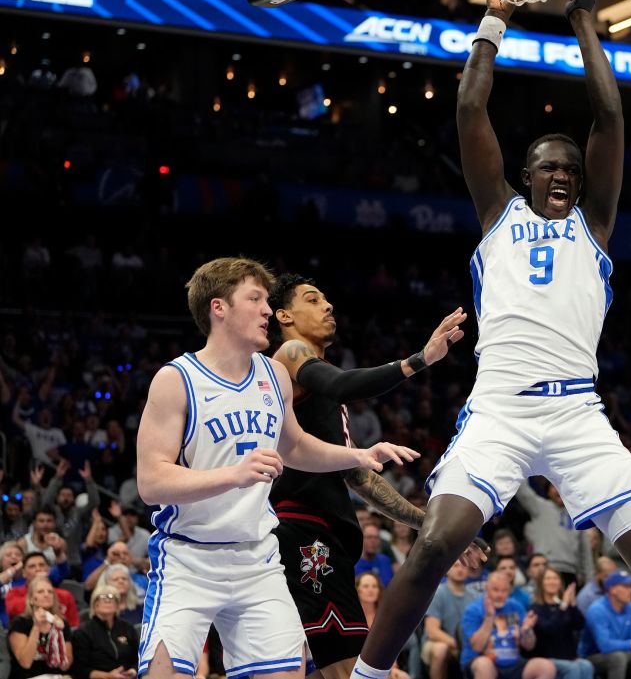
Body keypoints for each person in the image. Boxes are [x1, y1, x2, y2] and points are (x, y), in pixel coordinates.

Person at [351, 0, 631, 679]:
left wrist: (584, 22)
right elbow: (470, 104)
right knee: (432, 545)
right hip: (502, 404)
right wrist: (495, 18)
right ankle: (367, 674)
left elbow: (609, 117)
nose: (564, 171)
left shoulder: (594, 225)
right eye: (549, 165)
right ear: (527, 176)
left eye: (571, 165)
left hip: (577, 410)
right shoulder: (497, 213)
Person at [135, 257, 418, 679]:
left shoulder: (274, 376)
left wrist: (357, 455)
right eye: (256, 299)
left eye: (269, 301)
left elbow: (297, 446)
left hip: (258, 560)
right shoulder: (176, 379)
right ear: (220, 308)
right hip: (189, 558)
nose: (268, 311)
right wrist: (235, 473)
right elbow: (152, 482)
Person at [269, 273, 485, 679]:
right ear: (284, 315)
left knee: (318, 669)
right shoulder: (292, 354)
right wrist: (418, 360)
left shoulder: (319, 386)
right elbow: (347, 383)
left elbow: (359, 478)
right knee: (351, 667)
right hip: (304, 530)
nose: (328, 306)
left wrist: (430, 525)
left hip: (325, 534)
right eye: (313, 300)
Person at [461, 572, 553, 679]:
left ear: (509, 591)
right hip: (482, 661)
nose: (500, 595)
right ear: (486, 589)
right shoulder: (473, 609)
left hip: (513, 662)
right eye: (495, 590)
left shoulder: (515, 606)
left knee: (546, 667)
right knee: (483, 665)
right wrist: (489, 618)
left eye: (504, 591)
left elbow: (529, 646)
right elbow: (477, 647)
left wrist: (527, 630)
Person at [580, 571, 631, 679]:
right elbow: (605, 646)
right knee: (618, 658)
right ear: (612, 589)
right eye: (626, 586)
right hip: (593, 657)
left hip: (623, 653)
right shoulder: (597, 610)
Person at [527, 567, 592, 679]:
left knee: (586, 666)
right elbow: (549, 629)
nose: (552, 582)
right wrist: (564, 606)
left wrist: (573, 605)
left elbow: (579, 625)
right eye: (548, 578)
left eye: (555, 578)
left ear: (560, 583)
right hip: (546, 659)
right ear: (541, 583)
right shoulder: (536, 608)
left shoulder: (564, 606)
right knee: (573, 668)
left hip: (569, 657)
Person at [422, 559, 480, 679]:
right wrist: (459, 645)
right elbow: (432, 632)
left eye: (463, 566)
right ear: (447, 570)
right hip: (438, 643)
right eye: (455, 566)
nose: (460, 569)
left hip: (467, 643)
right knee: (441, 649)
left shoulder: (475, 596)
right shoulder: (438, 593)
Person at [7, 574, 73, 679]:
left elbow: (65, 665)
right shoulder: (20, 622)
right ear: (32, 599)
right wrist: (36, 628)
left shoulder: (61, 623)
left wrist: (58, 633)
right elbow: (25, 662)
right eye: (40, 592)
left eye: (50, 592)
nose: (46, 595)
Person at [71, 582, 140, 679]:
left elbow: (139, 657)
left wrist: (133, 671)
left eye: (112, 597)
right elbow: (79, 669)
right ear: (95, 604)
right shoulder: (83, 631)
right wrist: (107, 676)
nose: (108, 600)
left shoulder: (128, 628)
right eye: (103, 597)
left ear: (117, 605)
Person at [6, 551, 80, 628]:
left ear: (48, 570)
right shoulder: (14, 593)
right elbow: (14, 612)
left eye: (42, 565)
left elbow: (74, 625)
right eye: (32, 566)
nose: (38, 569)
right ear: (24, 572)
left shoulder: (65, 595)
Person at [356, 574, 409, 679]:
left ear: (379, 590)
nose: (370, 590)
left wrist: (393, 669)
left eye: (374, 586)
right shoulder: (353, 615)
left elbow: (389, 646)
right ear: (357, 590)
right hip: (357, 666)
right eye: (366, 586)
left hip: (383, 667)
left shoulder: (386, 615)